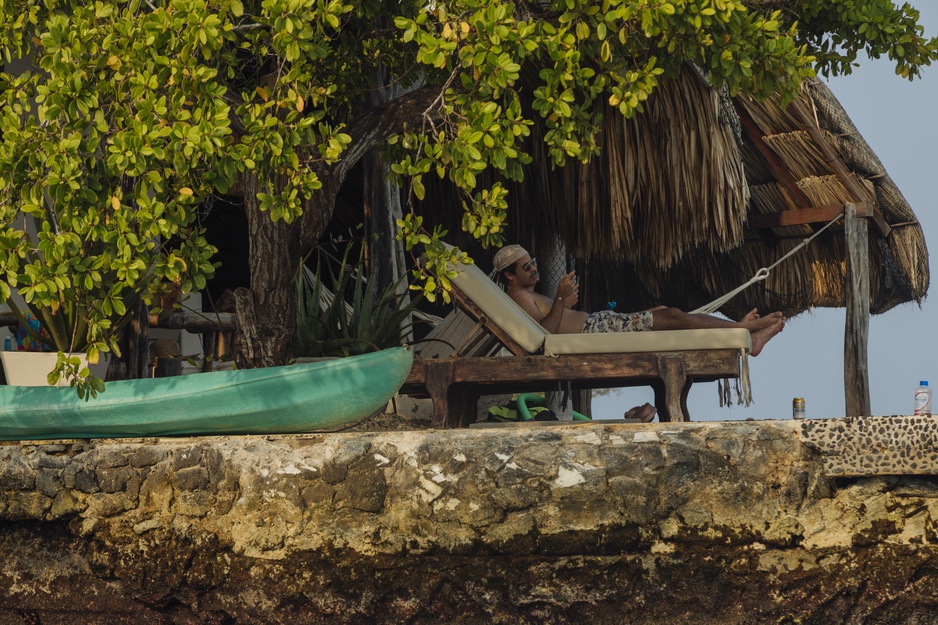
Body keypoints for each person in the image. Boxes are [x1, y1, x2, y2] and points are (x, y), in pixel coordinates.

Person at [492, 244, 785, 357]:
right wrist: (559, 297)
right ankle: (742, 331)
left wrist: (565, 304)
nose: (534, 269)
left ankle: (741, 334)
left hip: (596, 324)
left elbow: (553, 321)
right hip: (594, 332)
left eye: (532, 263)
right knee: (672, 316)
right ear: (509, 276)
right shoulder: (517, 298)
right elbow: (546, 334)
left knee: (663, 312)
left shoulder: (525, 293)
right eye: (526, 267)